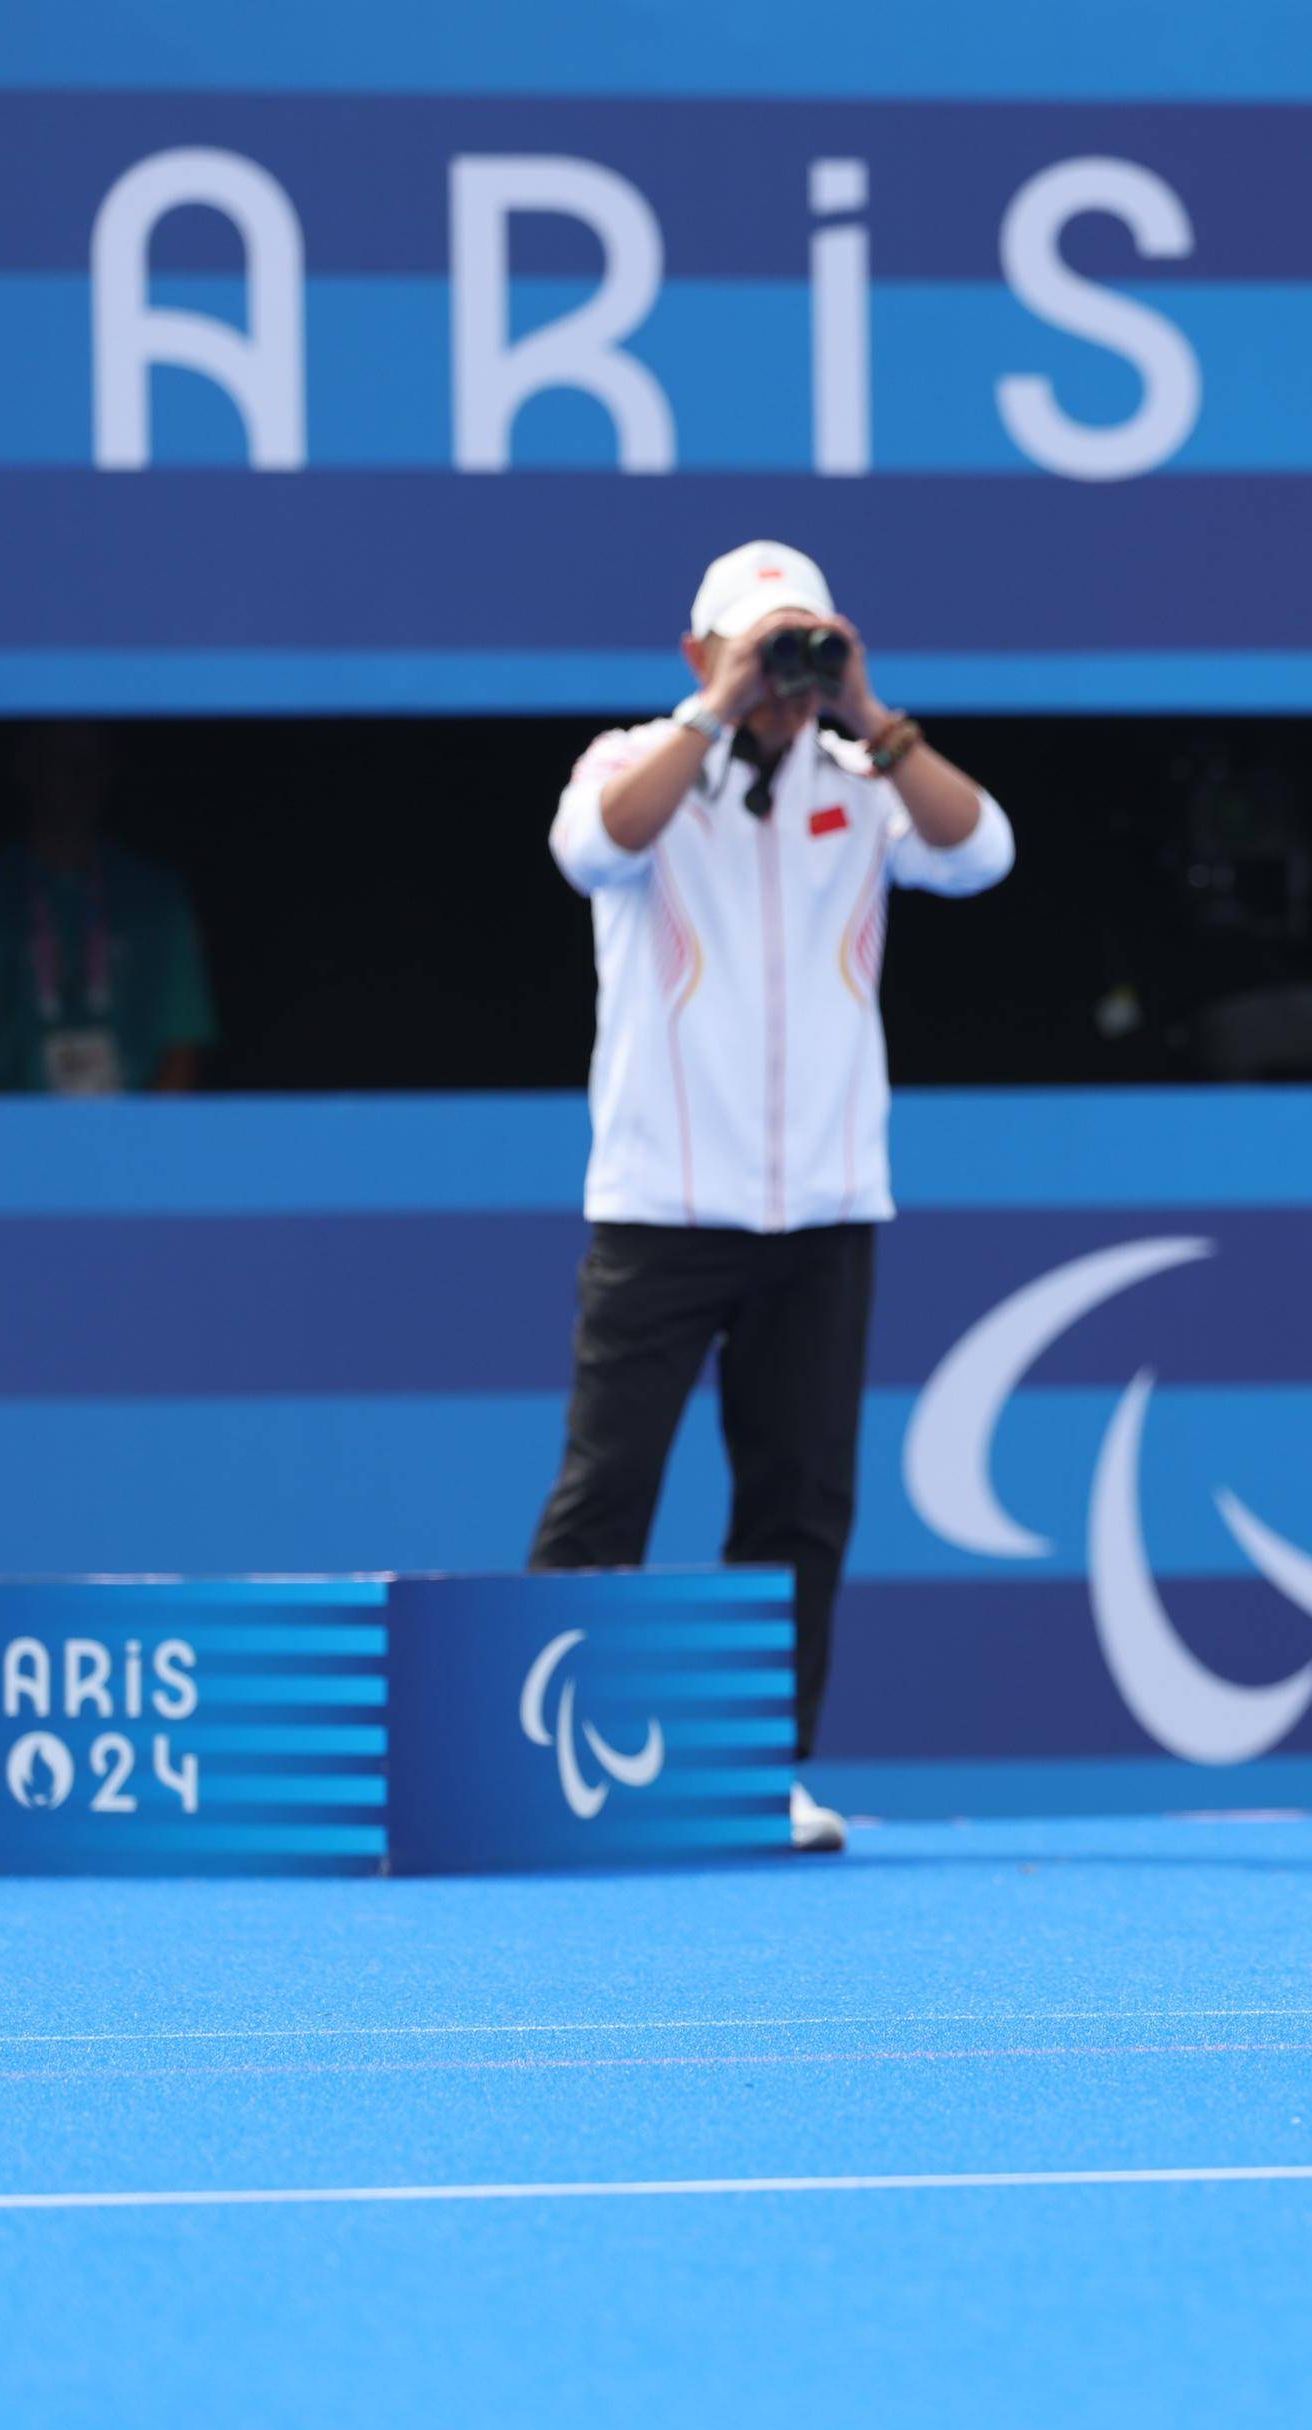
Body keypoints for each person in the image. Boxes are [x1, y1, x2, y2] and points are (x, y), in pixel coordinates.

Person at [528, 540, 1017, 1853]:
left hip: (821, 1206)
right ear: (699, 654)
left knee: (796, 1501)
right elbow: (591, 849)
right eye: (762, 649)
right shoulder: (633, 764)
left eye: (805, 648)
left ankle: (762, 1768)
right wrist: (718, 709)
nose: (785, 678)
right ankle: (536, 1756)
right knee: (607, 1487)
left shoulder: (864, 784)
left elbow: (983, 854)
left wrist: (865, 710)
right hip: (660, 1204)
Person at [0, 725, 217, 1094]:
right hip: (7, 1141)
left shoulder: (158, 898)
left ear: (110, 770)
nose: (77, 777)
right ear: (24, 766)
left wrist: (138, 1146)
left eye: (90, 762)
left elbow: (183, 1049)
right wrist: (26, 1148)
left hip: (135, 1139)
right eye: (60, 759)